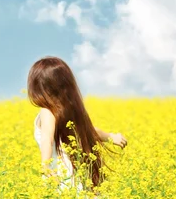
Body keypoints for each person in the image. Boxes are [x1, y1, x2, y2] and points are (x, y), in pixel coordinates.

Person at [27, 56, 127, 192]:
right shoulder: (66, 110)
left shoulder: (47, 111)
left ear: (37, 86)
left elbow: (47, 139)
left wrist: (45, 166)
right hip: (77, 174)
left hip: (58, 177)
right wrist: (111, 137)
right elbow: (88, 131)